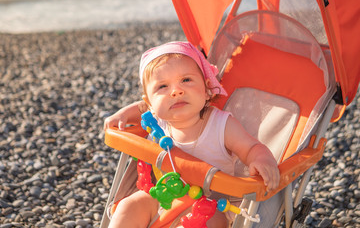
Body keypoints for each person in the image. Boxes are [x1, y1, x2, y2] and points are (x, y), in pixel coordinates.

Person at [103, 41, 280, 228]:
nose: (176, 91)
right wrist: (122, 115)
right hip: (165, 195)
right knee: (128, 206)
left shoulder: (222, 125)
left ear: (207, 90)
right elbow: (141, 110)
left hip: (212, 206)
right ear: (150, 104)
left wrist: (262, 159)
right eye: (162, 87)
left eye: (186, 80)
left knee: (209, 222)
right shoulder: (157, 122)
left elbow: (251, 147)